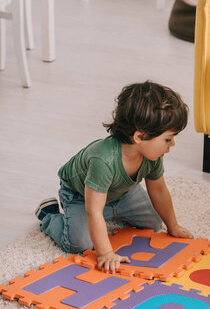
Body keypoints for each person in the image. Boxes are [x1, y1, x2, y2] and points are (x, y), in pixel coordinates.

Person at [34, 81, 194, 273]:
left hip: (122, 192)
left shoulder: (153, 156)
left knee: (152, 223)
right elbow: (93, 210)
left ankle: (108, 213)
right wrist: (105, 253)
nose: (172, 144)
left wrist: (173, 225)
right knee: (79, 245)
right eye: (168, 139)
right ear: (139, 137)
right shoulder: (104, 160)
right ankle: (49, 216)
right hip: (80, 195)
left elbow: (158, 190)